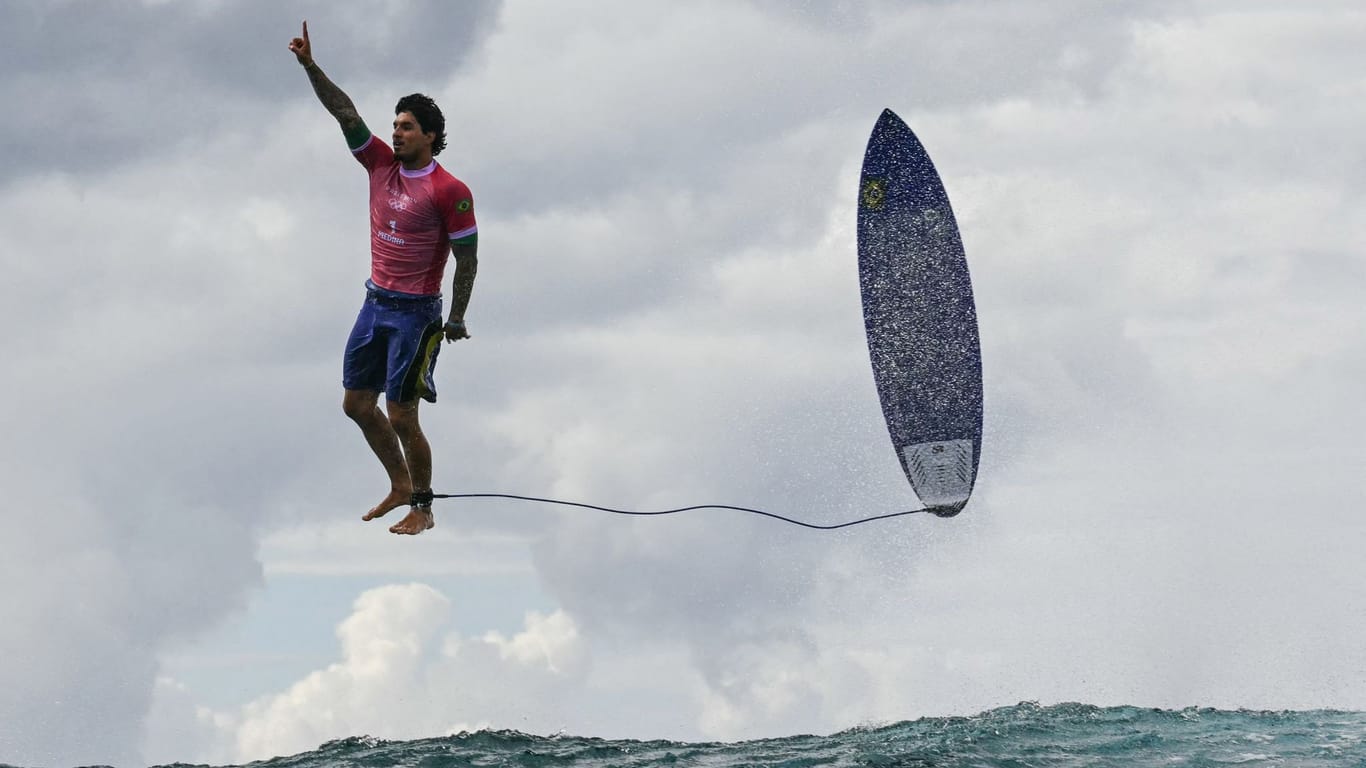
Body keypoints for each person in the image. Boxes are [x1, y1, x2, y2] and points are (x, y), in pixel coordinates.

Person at [289, 21, 478, 536]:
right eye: (395, 125)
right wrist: (310, 66)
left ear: (431, 136)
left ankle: (423, 506)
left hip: (417, 315)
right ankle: (398, 483)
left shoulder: (449, 190)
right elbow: (344, 112)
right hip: (375, 303)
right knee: (356, 404)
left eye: (407, 127)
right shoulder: (379, 165)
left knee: (401, 414)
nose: (396, 132)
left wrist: (456, 316)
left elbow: (468, 258)